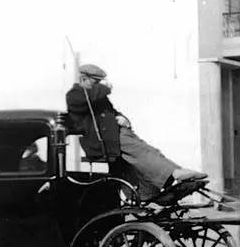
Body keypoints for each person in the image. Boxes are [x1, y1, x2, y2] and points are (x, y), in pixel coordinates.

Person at [66, 64, 206, 193]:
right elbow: (88, 99)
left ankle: (154, 191)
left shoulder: (97, 95)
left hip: (115, 134)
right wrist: (105, 87)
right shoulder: (75, 94)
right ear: (83, 78)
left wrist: (122, 118)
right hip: (102, 140)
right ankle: (174, 173)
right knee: (141, 151)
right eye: (96, 82)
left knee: (148, 152)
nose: (99, 85)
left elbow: (111, 111)